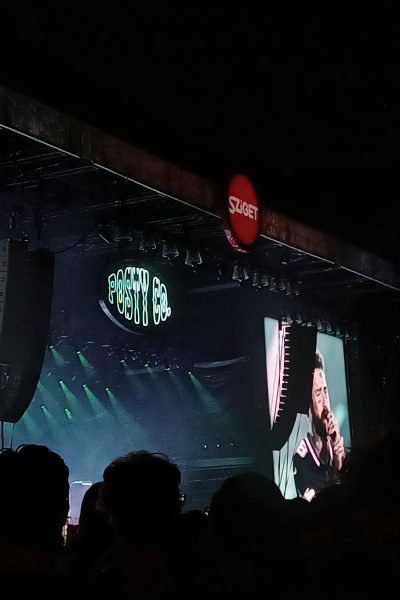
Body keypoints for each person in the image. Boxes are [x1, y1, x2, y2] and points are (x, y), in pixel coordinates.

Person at [293, 350, 346, 501]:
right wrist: (337, 472)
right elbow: (319, 507)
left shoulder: (340, 448)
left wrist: (341, 459)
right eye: (318, 393)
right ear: (308, 406)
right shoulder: (300, 459)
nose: (325, 402)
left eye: (325, 391)